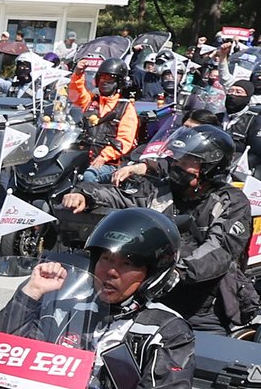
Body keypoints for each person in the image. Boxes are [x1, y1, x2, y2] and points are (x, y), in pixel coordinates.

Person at [5, 210, 192, 389]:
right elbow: (6, 354)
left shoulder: (166, 329)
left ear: (152, 273)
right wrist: (31, 293)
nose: (111, 271)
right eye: (106, 258)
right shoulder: (68, 306)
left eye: (127, 263)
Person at [60, 125, 253, 332]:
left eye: (187, 161)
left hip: (202, 304)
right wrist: (84, 195)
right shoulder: (159, 189)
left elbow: (220, 250)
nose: (177, 165)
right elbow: (122, 196)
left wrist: (175, 272)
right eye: (177, 158)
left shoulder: (231, 201)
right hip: (148, 293)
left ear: (209, 168)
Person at [68, 58, 139, 178]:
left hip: (110, 163)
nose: (104, 81)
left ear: (119, 82)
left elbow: (124, 141)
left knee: (89, 176)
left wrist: (104, 156)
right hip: (83, 155)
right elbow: (75, 94)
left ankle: (88, 196)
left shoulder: (126, 107)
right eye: (102, 77)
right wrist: (78, 73)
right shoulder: (91, 100)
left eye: (109, 78)